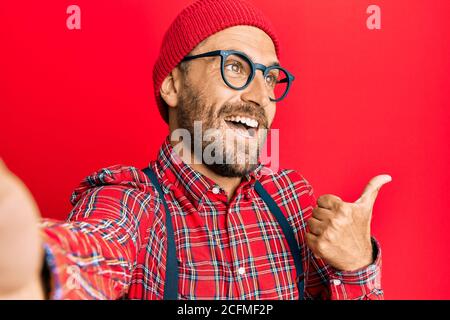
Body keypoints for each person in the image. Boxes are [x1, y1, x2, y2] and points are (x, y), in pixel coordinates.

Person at [0, 0, 391, 300]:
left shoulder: (291, 198)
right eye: (235, 67)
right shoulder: (132, 201)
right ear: (172, 85)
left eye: (270, 77)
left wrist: (357, 264)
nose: (260, 97)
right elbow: (98, 243)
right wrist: (29, 264)